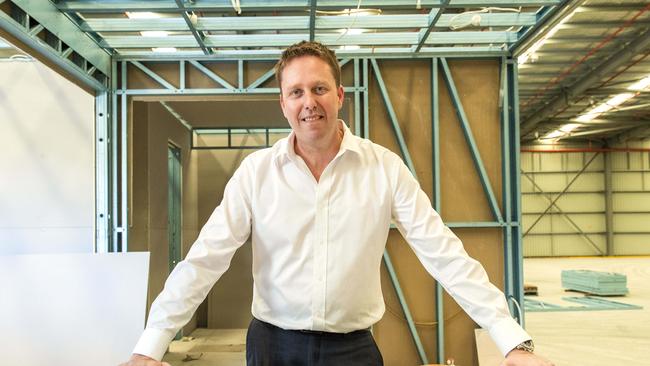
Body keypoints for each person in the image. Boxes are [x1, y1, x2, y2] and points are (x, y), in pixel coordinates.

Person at [119, 41, 553, 366]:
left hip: (354, 350)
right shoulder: (257, 172)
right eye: (296, 92)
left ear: (340, 95)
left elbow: (443, 252)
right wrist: (152, 343)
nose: (309, 102)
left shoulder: (384, 168)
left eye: (319, 88)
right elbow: (204, 259)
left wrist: (510, 339)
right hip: (273, 347)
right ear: (283, 104)